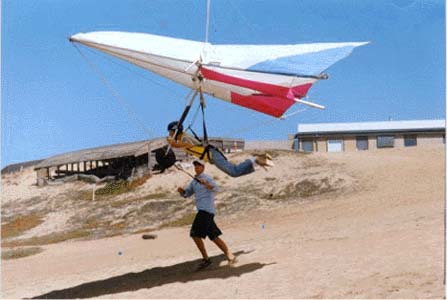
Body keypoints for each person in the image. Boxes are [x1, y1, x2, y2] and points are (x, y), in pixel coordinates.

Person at [177, 159, 236, 270]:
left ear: (203, 167)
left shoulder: (207, 178)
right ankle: (230, 255)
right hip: (204, 211)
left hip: (206, 210)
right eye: (195, 166)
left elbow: (217, 188)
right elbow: (187, 194)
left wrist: (207, 184)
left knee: (194, 234)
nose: (196, 167)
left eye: (198, 166)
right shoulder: (194, 182)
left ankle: (206, 259)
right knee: (213, 236)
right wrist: (181, 192)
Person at [167, 121, 273, 177]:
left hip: (213, 154)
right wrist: (173, 143)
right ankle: (256, 164)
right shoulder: (181, 138)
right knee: (234, 174)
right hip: (212, 157)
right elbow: (179, 145)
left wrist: (172, 143)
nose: (169, 134)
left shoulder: (184, 137)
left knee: (233, 171)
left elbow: (182, 145)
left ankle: (253, 159)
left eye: (170, 132)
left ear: (174, 131)